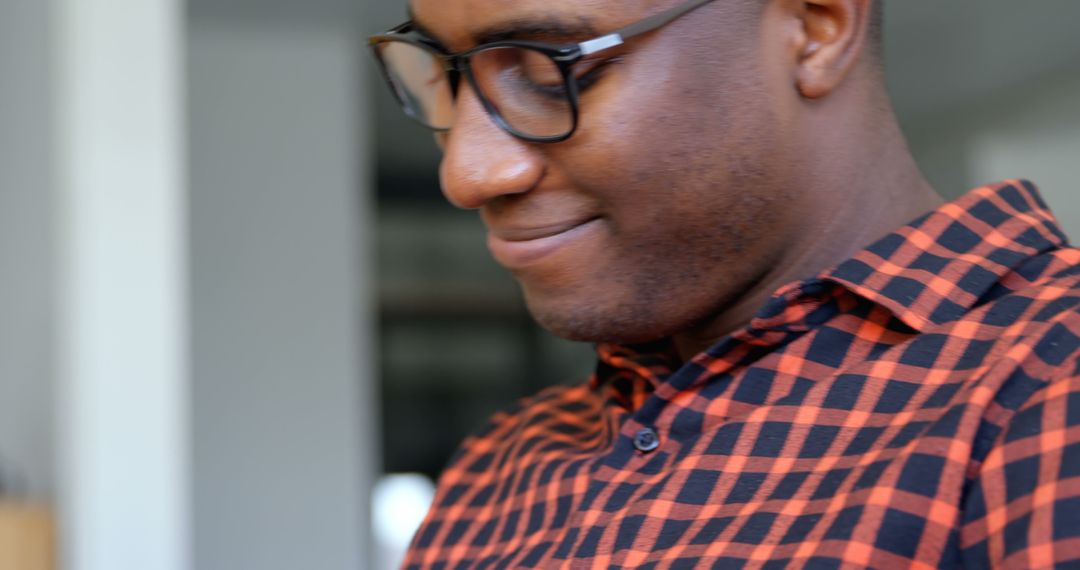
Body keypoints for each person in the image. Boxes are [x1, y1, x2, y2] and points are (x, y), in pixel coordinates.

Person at [369, 0, 1080, 567]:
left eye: (551, 68)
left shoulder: (1051, 379)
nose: (465, 173)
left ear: (815, 26)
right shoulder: (496, 473)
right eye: (445, 73)